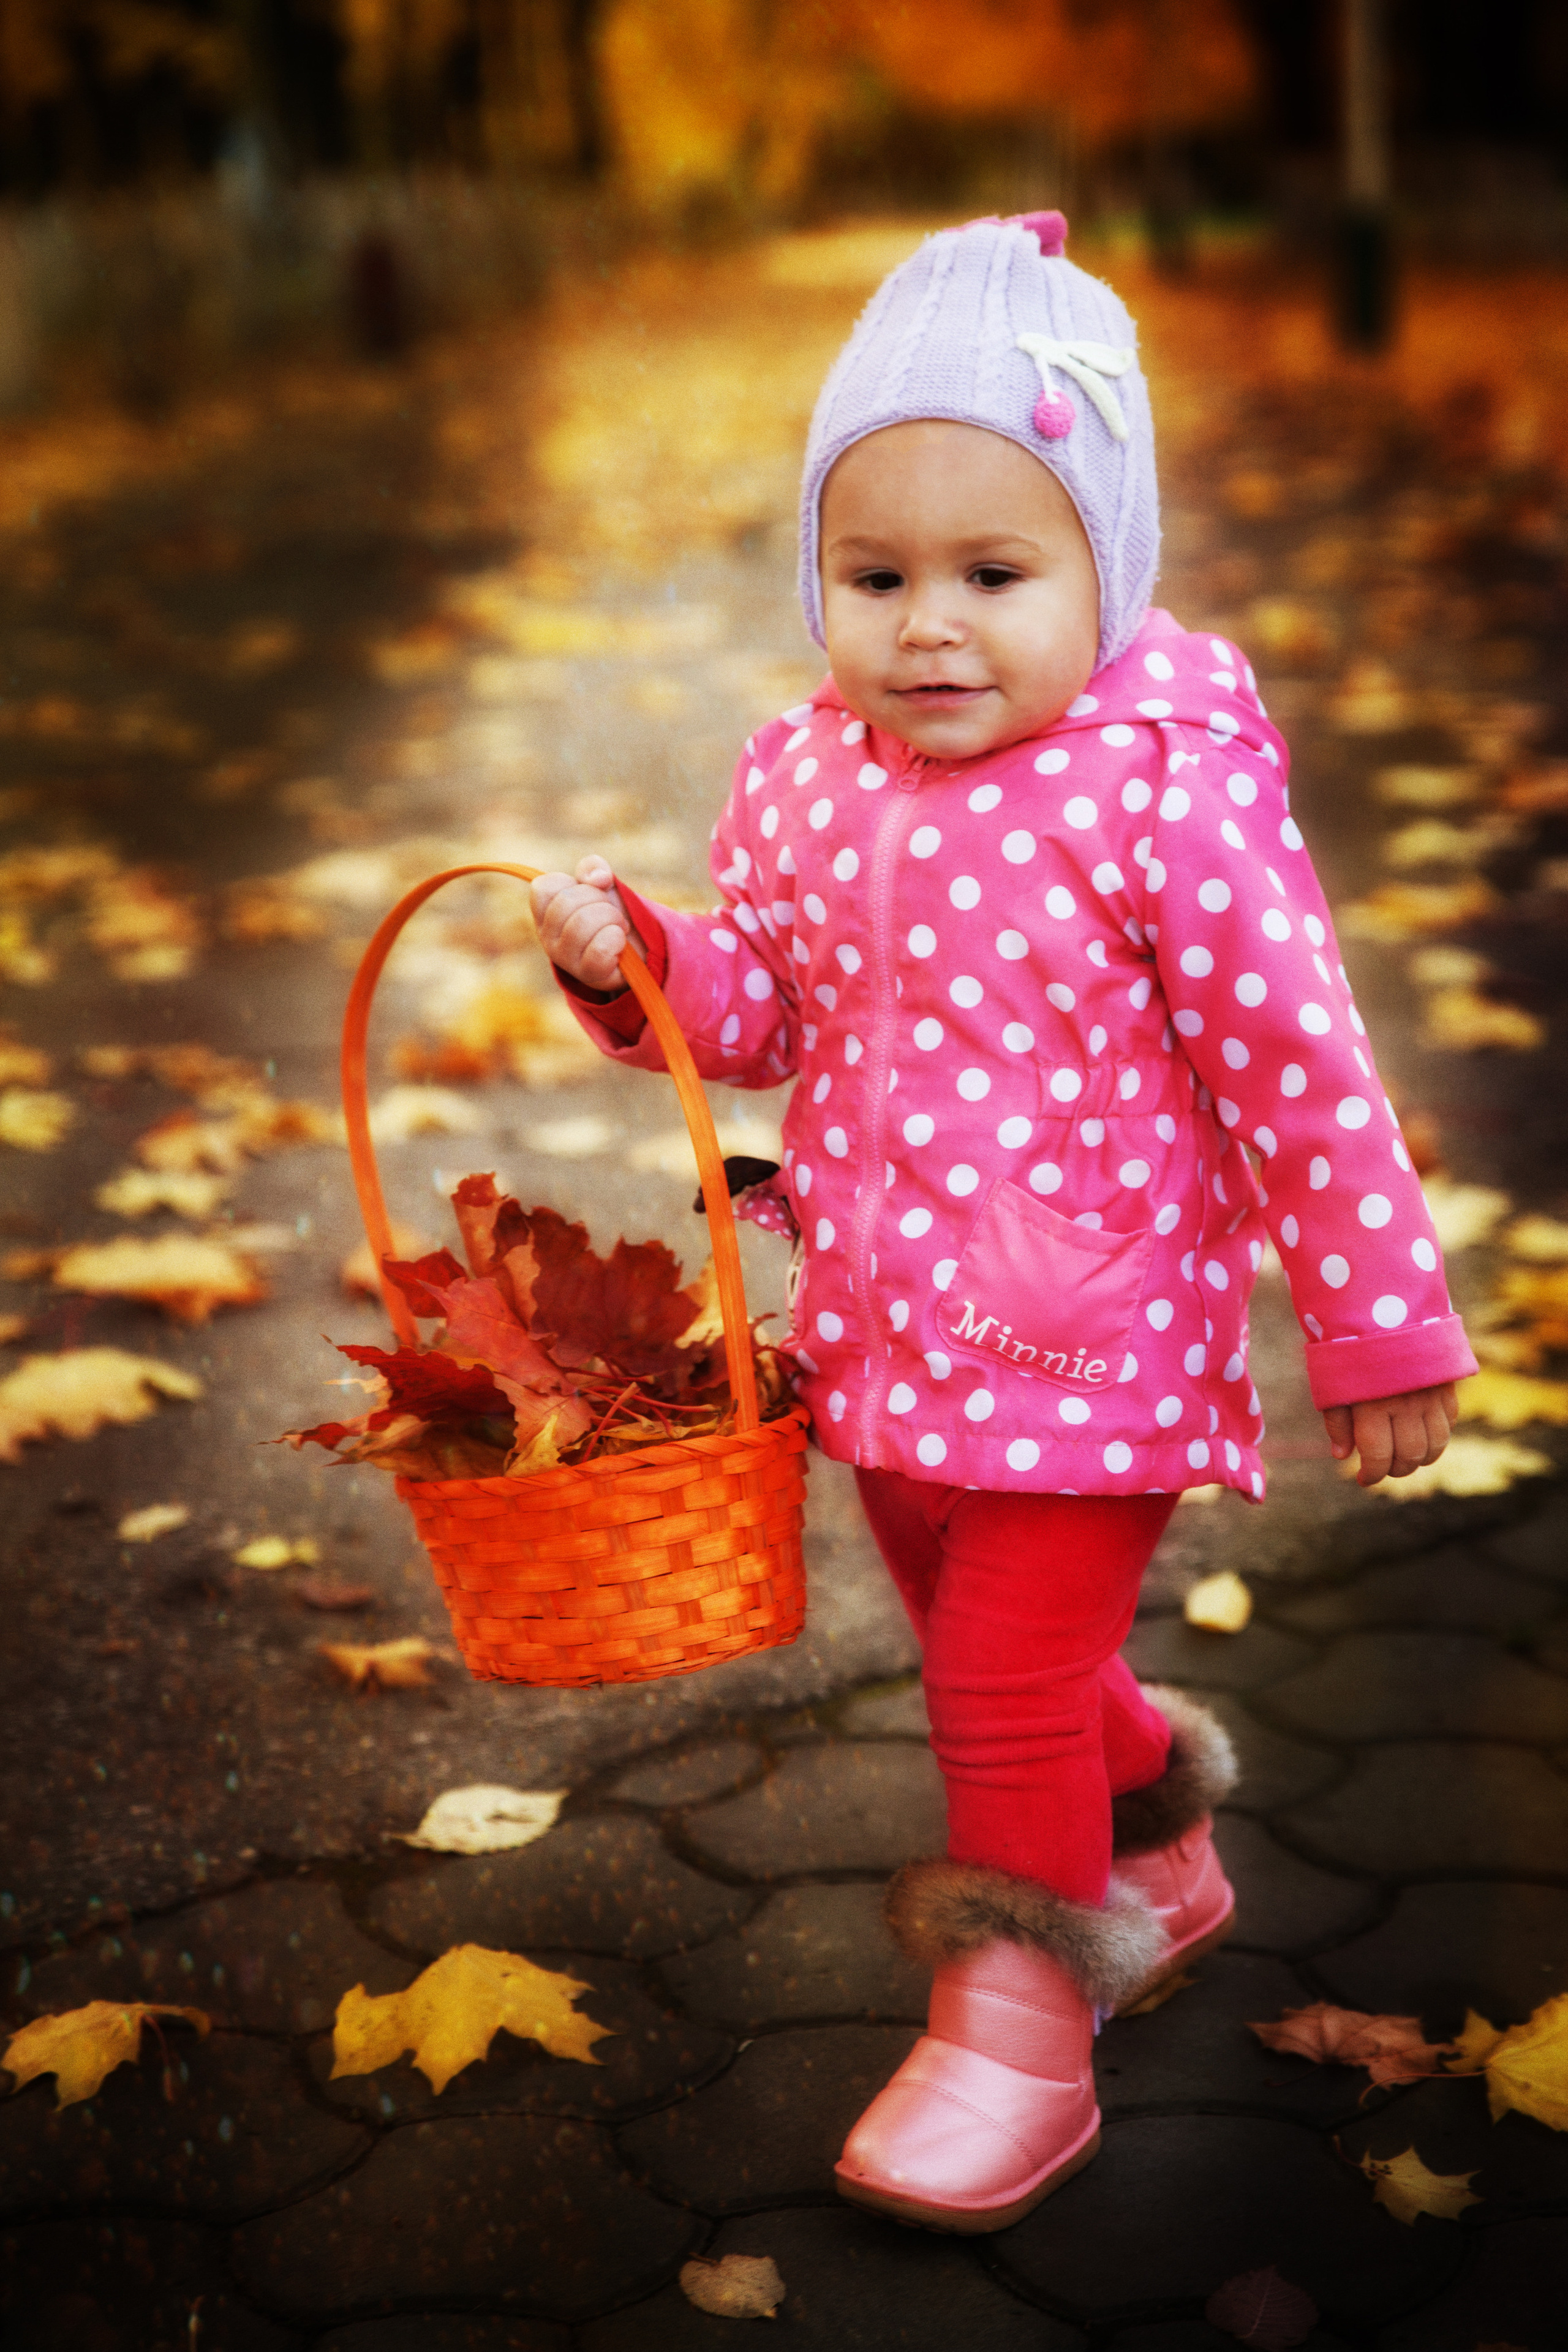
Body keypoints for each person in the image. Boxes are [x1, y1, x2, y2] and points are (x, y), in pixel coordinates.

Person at [531, 211, 1475, 2234]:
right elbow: (765, 1009)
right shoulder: (805, 781)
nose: (929, 628)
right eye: (876, 579)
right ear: (824, 582)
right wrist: (642, 970)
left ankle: (1018, 2029)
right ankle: (1160, 1847)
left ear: (1104, 573)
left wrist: (1381, 1324)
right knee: (987, 1642)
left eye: (995, 573)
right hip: (885, 1332)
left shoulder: (1163, 796)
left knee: (996, 1681)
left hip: (1096, 1334)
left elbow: (1296, 1068)